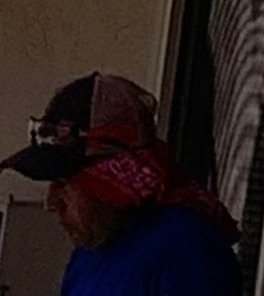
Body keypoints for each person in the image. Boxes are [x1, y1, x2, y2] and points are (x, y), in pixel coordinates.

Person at [1, 78, 239, 293]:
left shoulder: (186, 250)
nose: (51, 203)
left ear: (110, 181)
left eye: (64, 183)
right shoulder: (90, 251)